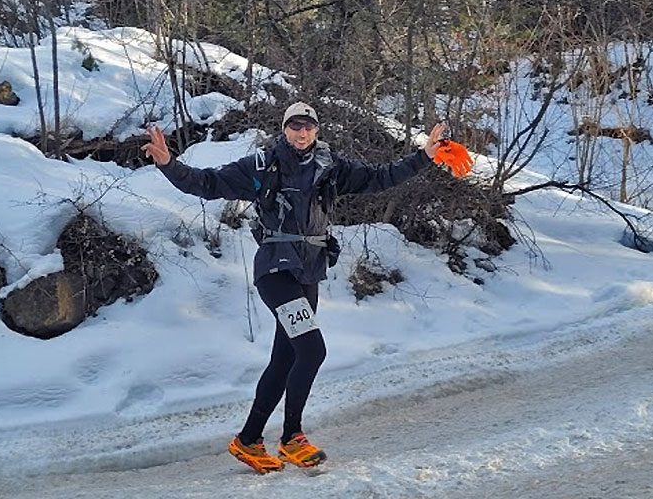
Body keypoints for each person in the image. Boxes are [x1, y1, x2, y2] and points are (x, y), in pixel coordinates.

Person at [141, 101, 469, 474]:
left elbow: (381, 176)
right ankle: (292, 436)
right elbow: (208, 183)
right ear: (284, 129)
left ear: (316, 130)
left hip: (308, 273)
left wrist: (425, 155)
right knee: (312, 351)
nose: (301, 132)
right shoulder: (261, 167)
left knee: (286, 358)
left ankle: (248, 440)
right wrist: (170, 164)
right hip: (275, 273)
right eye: (295, 125)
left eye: (308, 126)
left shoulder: (331, 169)